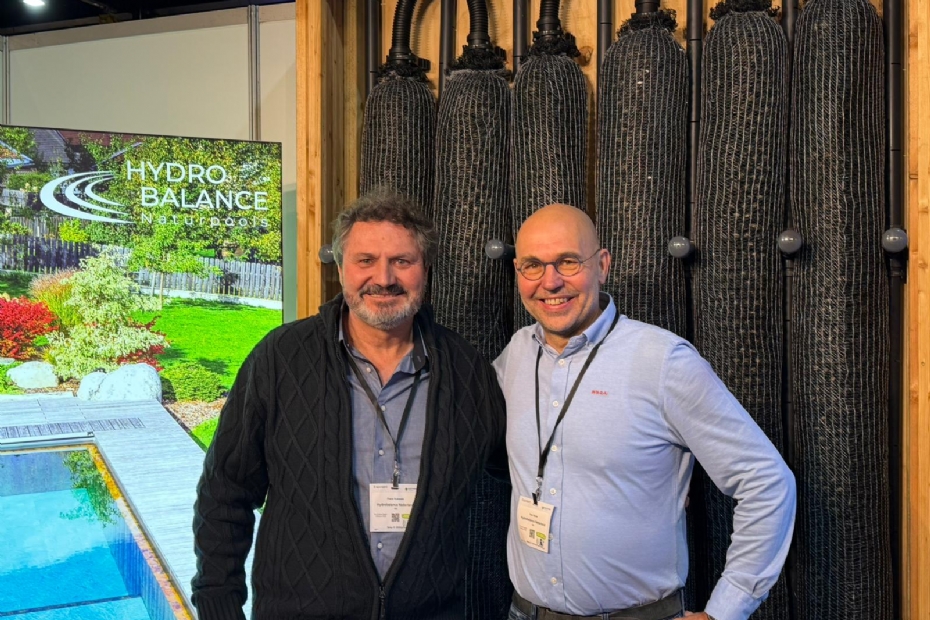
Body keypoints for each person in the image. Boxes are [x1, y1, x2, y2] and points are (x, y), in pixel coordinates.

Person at [192, 189, 507, 620]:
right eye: (365, 260)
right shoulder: (280, 359)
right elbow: (224, 493)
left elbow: (519, 473)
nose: (384, 278)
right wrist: (218, 606)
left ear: (425, 269)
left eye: (402, 261)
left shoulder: (467, 371)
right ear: (341, 268)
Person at [493, 204, 796, 620]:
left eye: (568, 261)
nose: (550, 281)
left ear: (602, 265)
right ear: (517, 272)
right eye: (533, 265)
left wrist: (726, 610)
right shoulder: (516, 355)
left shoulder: (663, 362)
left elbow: (766, 481)